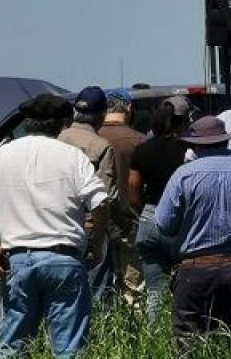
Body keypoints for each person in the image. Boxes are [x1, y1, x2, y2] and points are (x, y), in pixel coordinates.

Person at [0, 94, 109, 359]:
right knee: (68, 347)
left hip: (18, 259)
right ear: (62, 124)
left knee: (13, 342)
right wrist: (96, 241)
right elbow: (100, 201)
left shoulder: (2, 155)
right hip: (64, 258)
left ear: (27, 123)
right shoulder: (72, 157)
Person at [155, 116, 231, 354]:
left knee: (188, 349)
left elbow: (164, 224)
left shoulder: (183, 175)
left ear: (196, 146)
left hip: (196, 271)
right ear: (225, 142)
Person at [129, 96, 192, 323]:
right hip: (181, 223)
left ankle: (154, 339)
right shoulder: (189, 152)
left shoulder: (143, 150)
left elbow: (133, 192)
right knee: (186, 288)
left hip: (149, 219)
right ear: (183, 121)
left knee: (155, 290)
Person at [58, 86, 118, 306]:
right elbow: (105, 194)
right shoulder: (101, 146)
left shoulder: (56, 139)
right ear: (102, 115)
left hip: (57, 222)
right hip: (89, 224)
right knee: (96, 290)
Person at [96, 88, 146, 309]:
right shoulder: (139, 141)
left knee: (100, 286)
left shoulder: (92, 138)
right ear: (129, 109)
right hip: (131, 221)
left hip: (96, 222)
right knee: (133, 287)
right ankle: (135, 334)